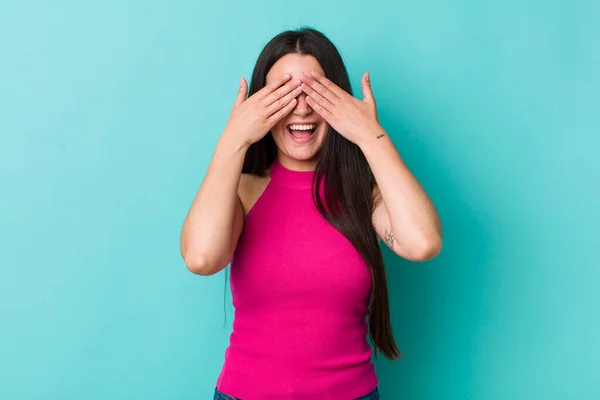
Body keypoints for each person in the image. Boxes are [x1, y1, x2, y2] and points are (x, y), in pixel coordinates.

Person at [180, 27, 443, 400]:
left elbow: (423, 243)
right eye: (283, 94)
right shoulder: (242, 191)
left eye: (314, 93)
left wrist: (369, 135)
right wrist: (234, 138)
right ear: (259, 105)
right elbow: (201, 257)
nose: (301, 108)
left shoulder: (363, 197)